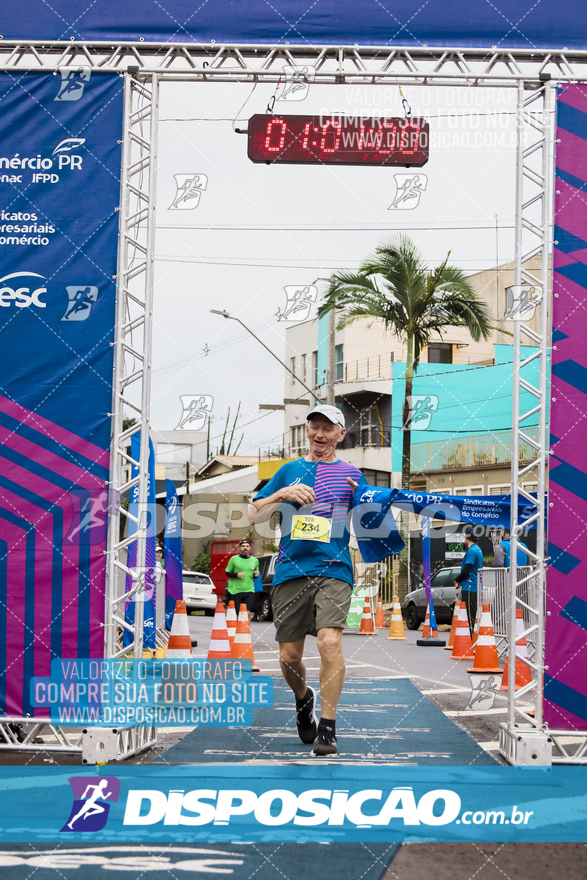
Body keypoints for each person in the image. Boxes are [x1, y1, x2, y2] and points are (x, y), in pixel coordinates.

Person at [249, 404, 367, 757]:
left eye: (327, 428)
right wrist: (280, 494)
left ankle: (328, 728)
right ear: (307, 431)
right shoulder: (289, 470)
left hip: (334, 568)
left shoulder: (352, 474)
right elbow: (254, 515)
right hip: (290, 570)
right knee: (288, 655)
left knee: (330, 642)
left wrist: (362, 502)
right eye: (314, 426)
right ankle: (304, 700)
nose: (319, 434)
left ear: (340, 435)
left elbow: (371, 524)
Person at [454, 526, 484, 638]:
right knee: (470, 615)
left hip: (470, 588)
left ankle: (469, 642)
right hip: (474, 586)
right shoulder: (478, 549)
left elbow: (467, 570)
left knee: (469, 616)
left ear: (466, 537)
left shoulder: (472, 551)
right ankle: (469, 641)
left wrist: (457, 579)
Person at [225, 539, 260, 622]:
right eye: (243, 546)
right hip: (236, 590)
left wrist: (256, 575)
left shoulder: (254, 560)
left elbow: (255, 574)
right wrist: (236, 575)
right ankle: (238, 631)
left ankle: (245, 632)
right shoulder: (234, 559)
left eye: (247, 546)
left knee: (247, 613)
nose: (245, 548)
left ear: (250, 548)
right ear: (240, 548)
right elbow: (227, 573)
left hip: (249, 590)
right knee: (238, 615)